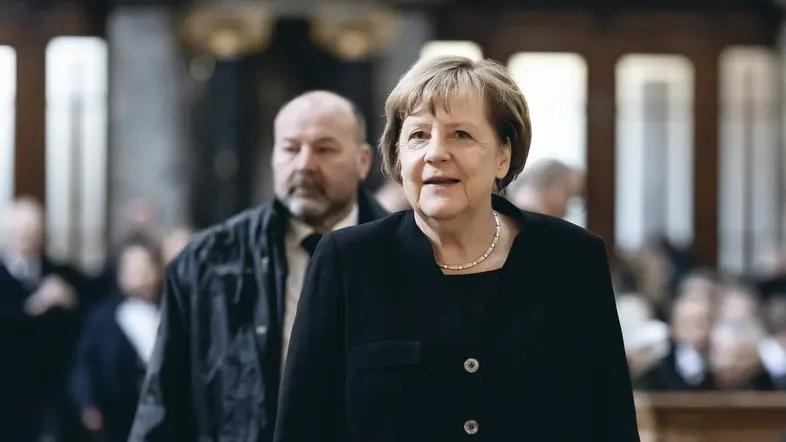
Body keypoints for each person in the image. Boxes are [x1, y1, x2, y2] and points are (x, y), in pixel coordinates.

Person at [275, 56, 638, 441]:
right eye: (418, 135)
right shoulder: (347, 261)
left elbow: (612, 423)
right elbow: (303, 426)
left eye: (460, 134)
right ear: (398, 155)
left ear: (503, 155)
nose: (435, 153)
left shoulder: (571, 260)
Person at [128, 91, 387, 442]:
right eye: (291, 148)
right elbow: (163, 403)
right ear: (273, 158)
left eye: (324, 149)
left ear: (363, 160)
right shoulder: (208, 261)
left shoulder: (405, 254)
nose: (305, 165)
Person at [70, 239, 163, 442]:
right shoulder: (102, 317)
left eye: (145, 266)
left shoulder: (172, 313)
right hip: (115, 421)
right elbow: (83, 364)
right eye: (132, 268)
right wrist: (87, 405)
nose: (140, 274)